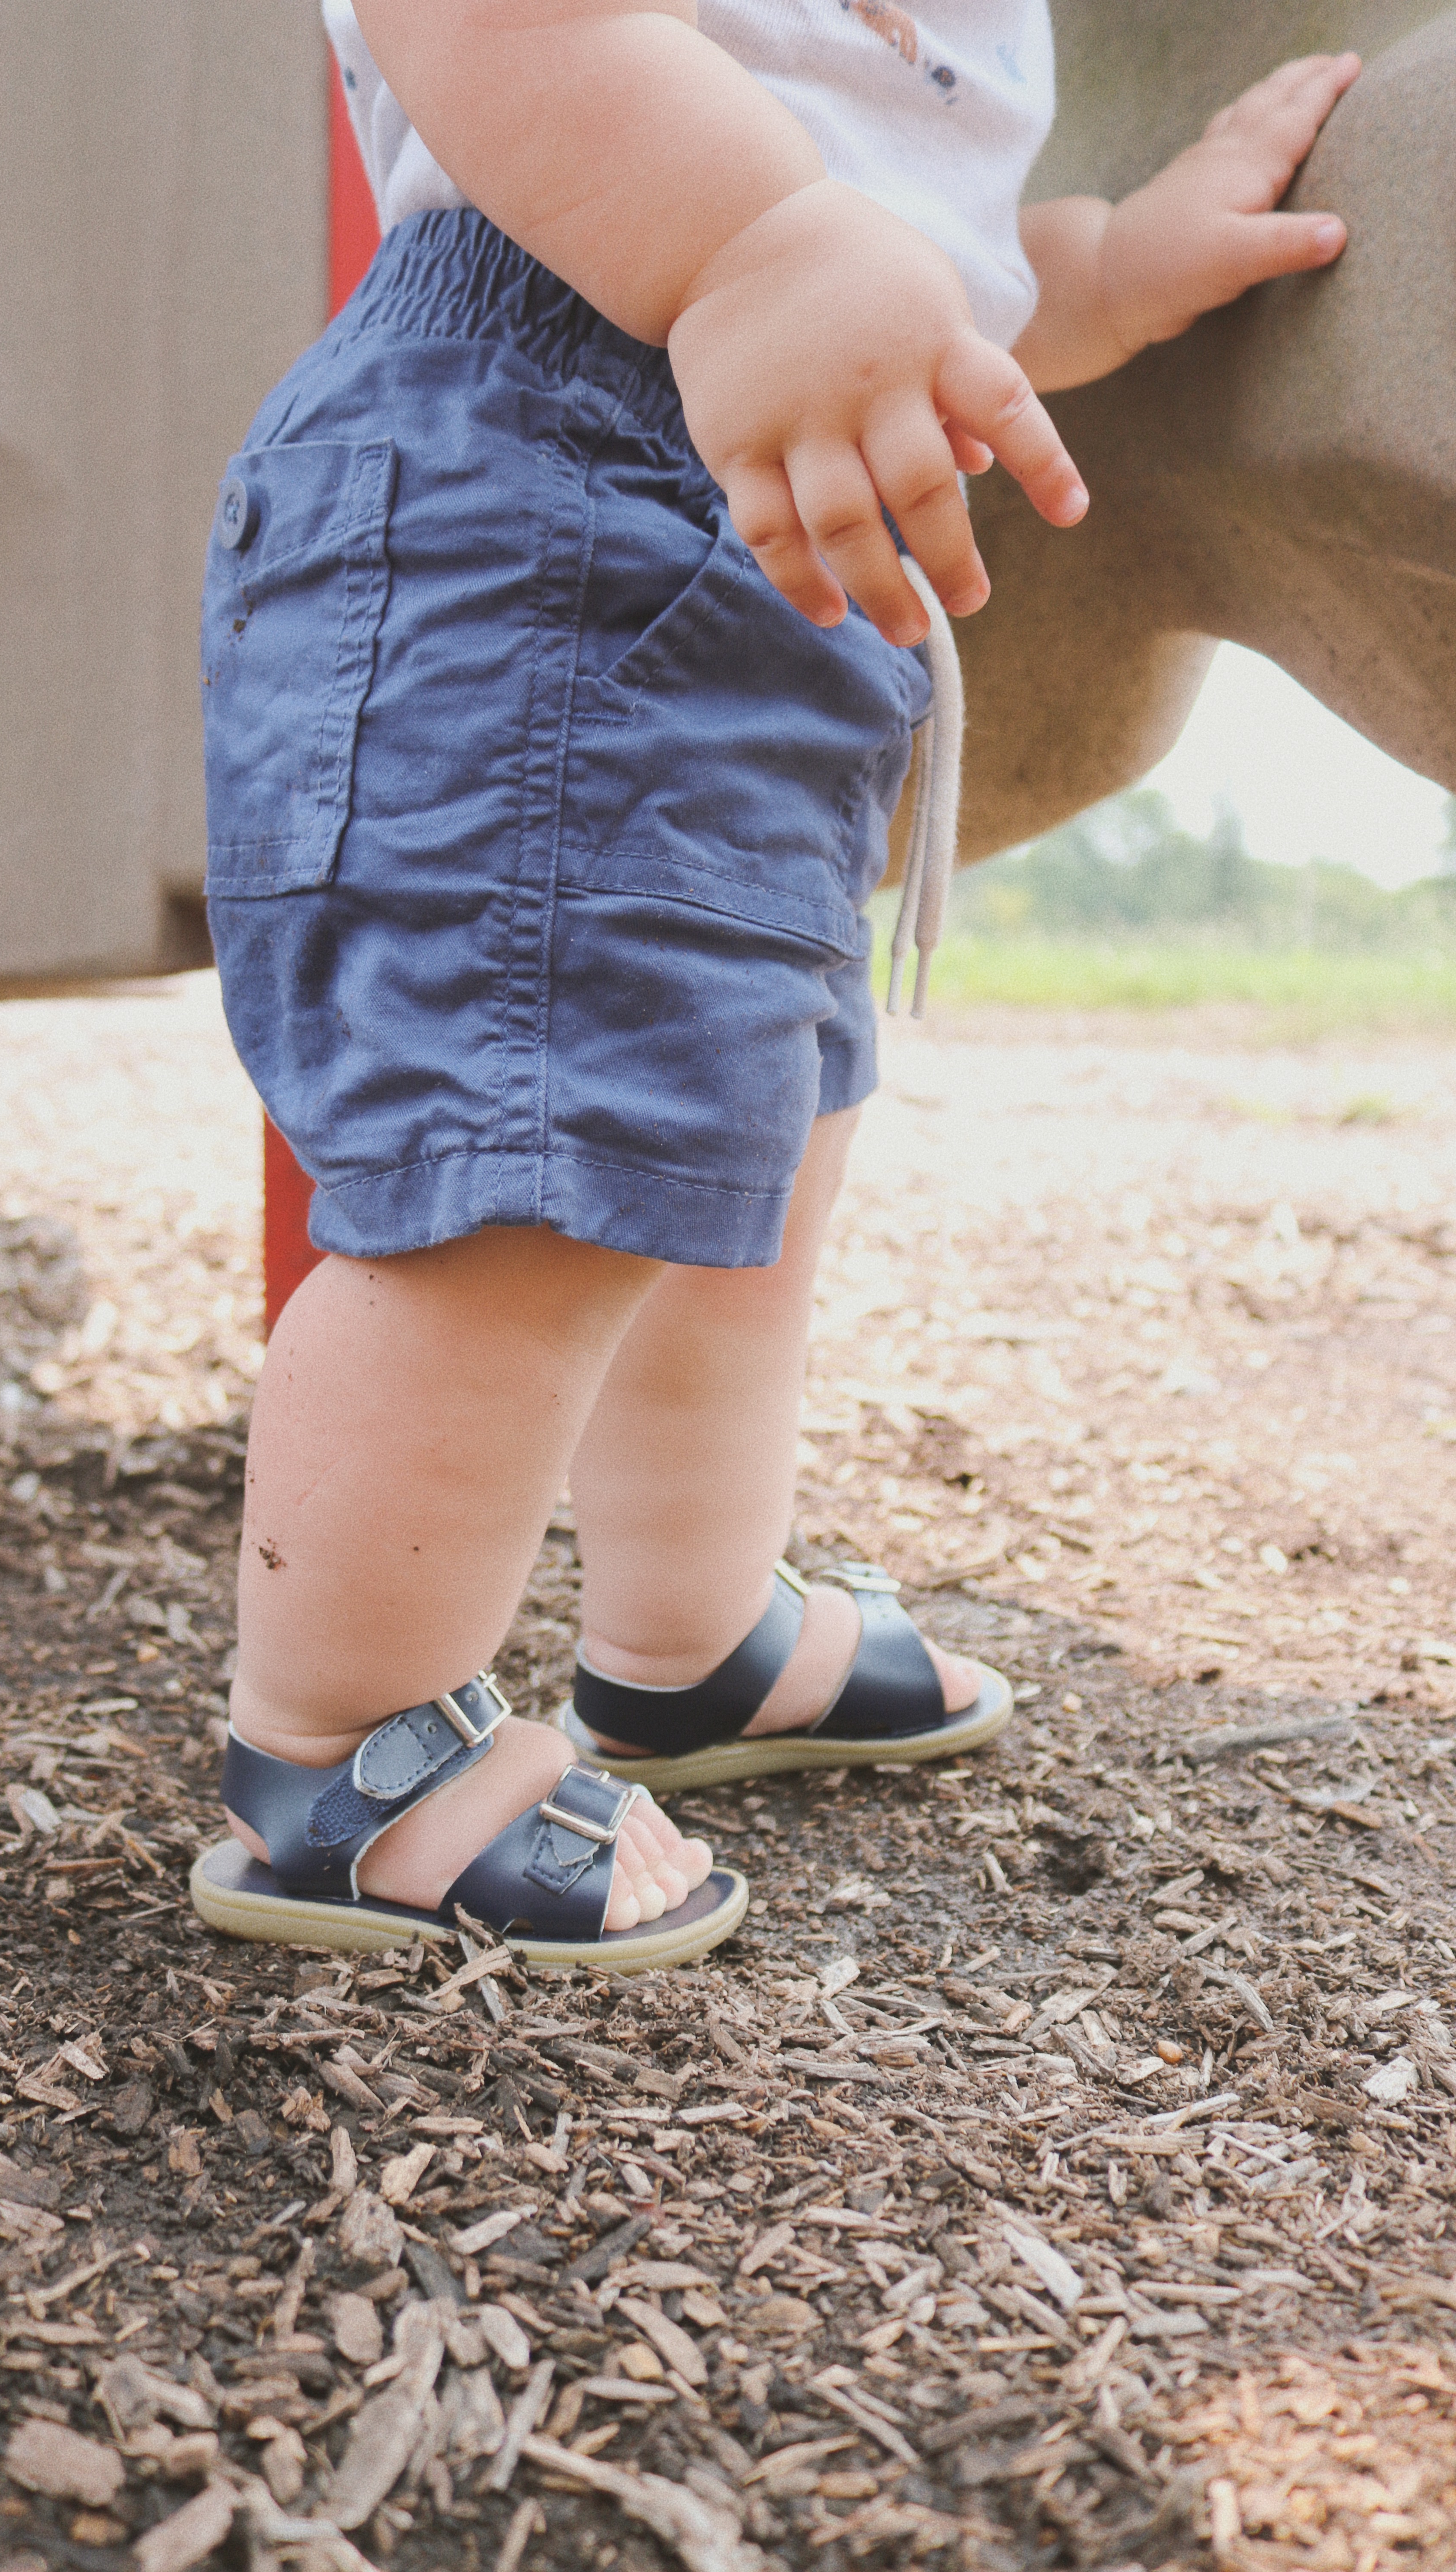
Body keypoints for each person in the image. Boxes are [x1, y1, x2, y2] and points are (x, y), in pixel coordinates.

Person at [192, 2, 1359, 1965]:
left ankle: (688, 1632)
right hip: (540, 462)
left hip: (767, 590)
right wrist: (750, 246)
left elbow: (936, 259)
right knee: (532, 1157)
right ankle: (338, 1743)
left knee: (739, 1136)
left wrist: (1106, 265)